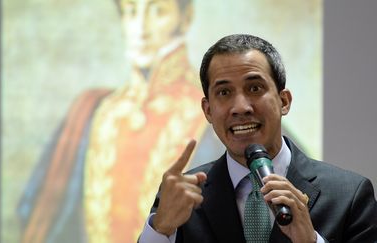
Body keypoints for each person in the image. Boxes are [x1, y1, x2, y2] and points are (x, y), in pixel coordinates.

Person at [17, 0, 223, 243]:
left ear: (185, 17)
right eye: (131, 11)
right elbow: (48, 218)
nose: (140, 29)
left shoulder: (214, 115)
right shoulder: (94, 113)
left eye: (157, 11)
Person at [139, 34, 377, 242]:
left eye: (254, 88)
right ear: (208, 110)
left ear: (284, 101)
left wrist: (310, 241)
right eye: (224, 92)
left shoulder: (349, 194)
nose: (240, 107)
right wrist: (161, 229)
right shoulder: (183, 195)